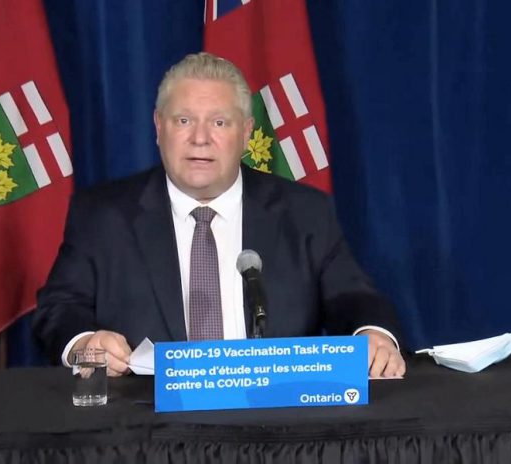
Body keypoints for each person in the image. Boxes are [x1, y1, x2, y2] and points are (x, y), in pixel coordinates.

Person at [33, 52, 406, 379]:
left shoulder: (304, 213)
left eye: (219, 123)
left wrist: (372, 334)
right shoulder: (102, 215)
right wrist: (84, 343)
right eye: (183, 121)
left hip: (277, 428)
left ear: (245, 134)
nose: (200, 138)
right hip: (145, 427)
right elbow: (60, 308)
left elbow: (353, 297)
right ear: (158, 127)